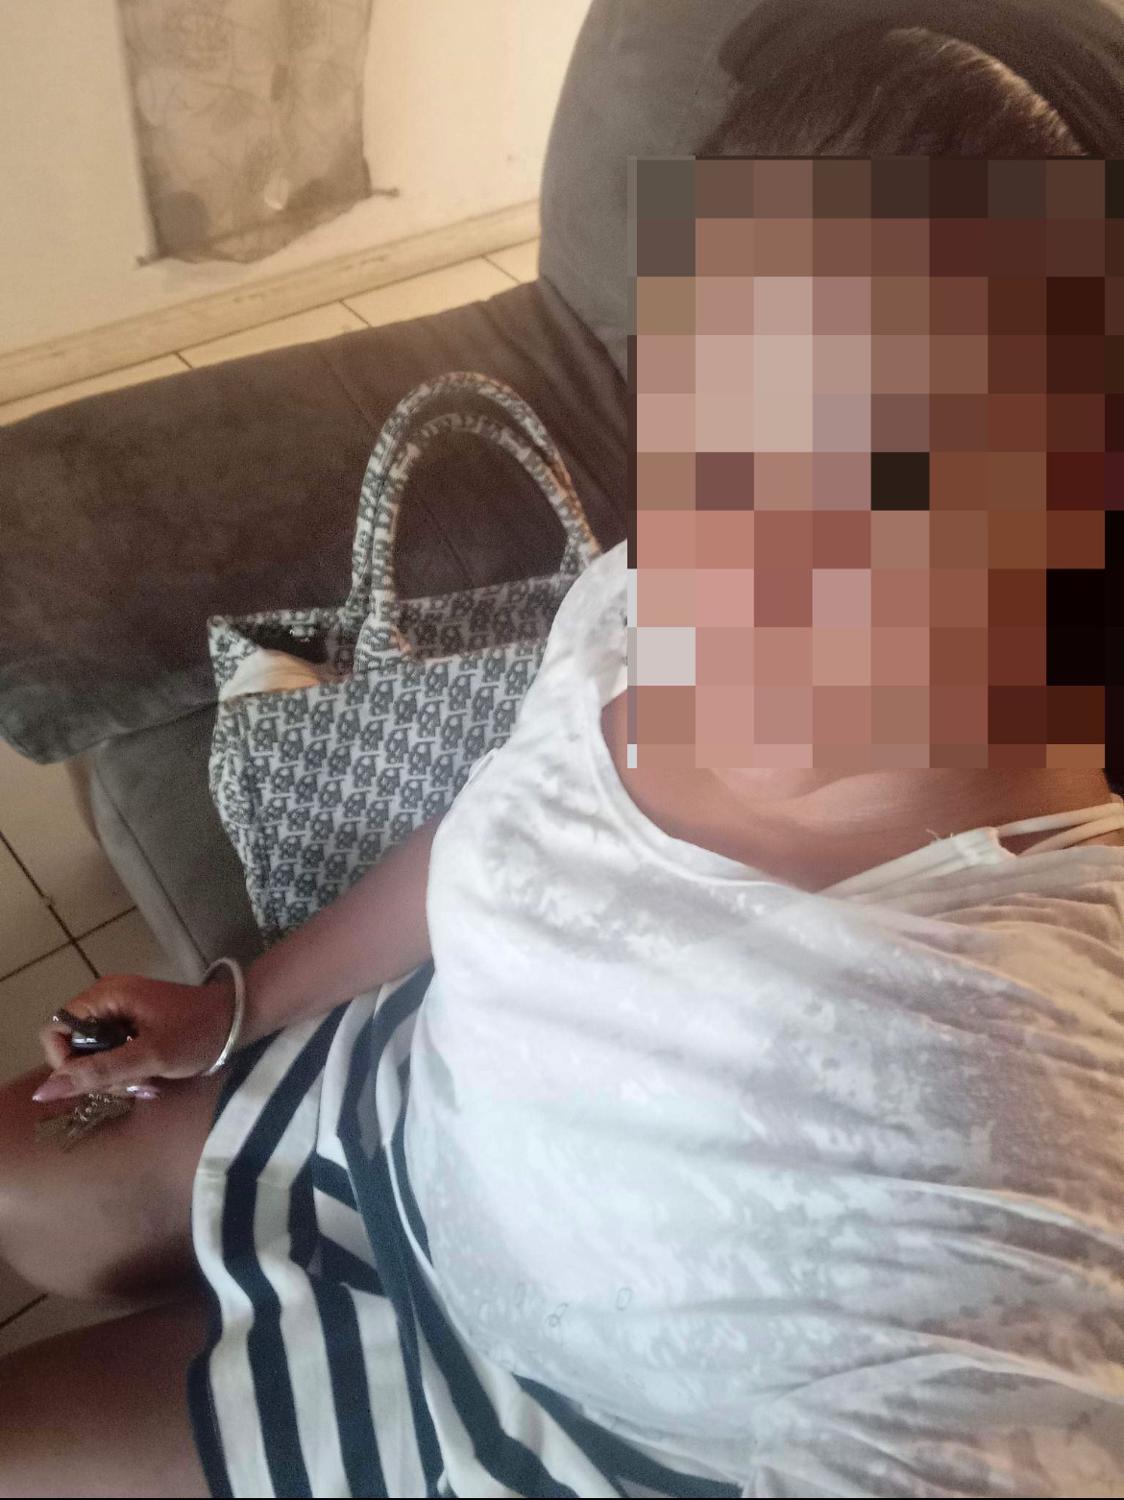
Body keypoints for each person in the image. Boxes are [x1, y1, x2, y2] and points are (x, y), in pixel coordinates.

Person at [3, 3, 1124, 1495]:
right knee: (22, 1185)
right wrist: (234, 1004)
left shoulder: (1026, 1086)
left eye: (899, 455)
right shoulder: (649, 584)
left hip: (558, 1425)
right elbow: (524, 812)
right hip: (412, 1106)